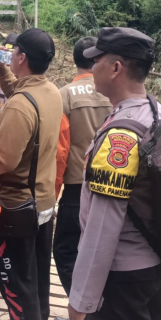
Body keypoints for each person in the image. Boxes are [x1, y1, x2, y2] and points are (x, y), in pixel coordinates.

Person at [68, 27, 161, 320]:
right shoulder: (157, 113)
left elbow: (103, 227)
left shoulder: (122, 136)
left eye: (96, 60)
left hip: (124, 281)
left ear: (115, 68)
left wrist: (81, 301)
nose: (91, 68)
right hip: (156, 265)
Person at [0, 28, 62, 320]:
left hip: (16, 211)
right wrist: (0, 70)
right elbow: (22, 97)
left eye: (13, 51)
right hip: (42, 205)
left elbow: (1, 162)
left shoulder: (19, 106)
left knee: (17, 287)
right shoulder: (51, 91)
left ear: (20, 57)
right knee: (37, 278)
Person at [53, 36, 112, 296]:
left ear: (75, 60)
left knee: (65, 250)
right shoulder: (115, 91)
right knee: (107, 249)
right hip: (114, 186)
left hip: (77, 188)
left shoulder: (63, 95)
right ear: (98, 59)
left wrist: (51, 196)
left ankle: (80, 305)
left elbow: (59, 152)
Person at [0, 34, 19, 108]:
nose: (8, 59)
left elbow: (15, 93)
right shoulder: (2, 87)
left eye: (12, 54)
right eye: (6, 54)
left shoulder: (25, 84)